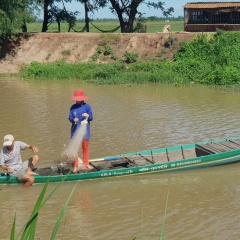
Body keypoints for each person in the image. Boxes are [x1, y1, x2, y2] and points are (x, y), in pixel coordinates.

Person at [68, 89, 93, 172]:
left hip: (85, 132)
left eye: (79, 98)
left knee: (85, 148)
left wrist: (87, 115)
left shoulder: (87, 107)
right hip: (75, 132)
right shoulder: (72, 107)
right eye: (77, 99)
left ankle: (86, 163)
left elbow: (92, 118)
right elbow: (70, 118)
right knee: (75, 149)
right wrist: (73, 119)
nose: (78, 100)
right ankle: (75, 165)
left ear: (82, 98)